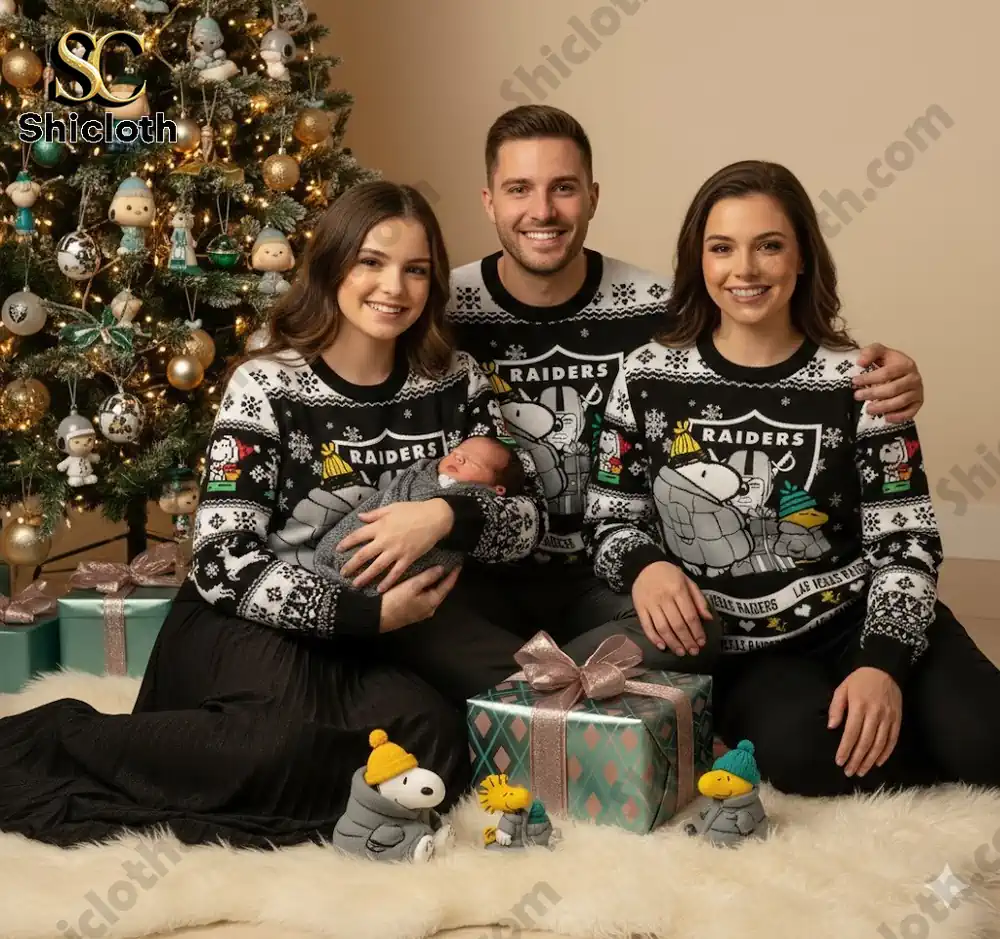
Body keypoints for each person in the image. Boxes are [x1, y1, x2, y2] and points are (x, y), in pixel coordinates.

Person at [0, 182, 559, 850]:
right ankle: (57, 741)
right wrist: (365, 614)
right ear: (333, 266)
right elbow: (219, 558)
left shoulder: (453, 378)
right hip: (251, 618)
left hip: (376, 637)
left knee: (431, 738)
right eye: (372, 262)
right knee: (275, 744)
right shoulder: (270, 383)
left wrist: (443, 515)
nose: (395, 287)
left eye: (416, 269)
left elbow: (527, 523)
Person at [446, 103, 927, 663]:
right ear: (489, 202)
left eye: (564, 188)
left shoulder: (662, 307)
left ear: (594, 197)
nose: (542, 211)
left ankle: (534, 704)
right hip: (484, 568)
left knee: (691, 632)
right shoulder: (442, 308)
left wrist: (889, 380)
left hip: (609, 577)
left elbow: (756, 348)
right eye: (519, 189)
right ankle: (532, 704)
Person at [584, 159, 1000, 796]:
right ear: (699, 260)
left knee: (985, 739)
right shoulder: (645, 375)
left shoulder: (862, 381)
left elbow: (908, 542)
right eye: (722, 248)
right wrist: (645, 565)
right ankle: (909, 740)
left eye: (768, 246)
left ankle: (930, 721)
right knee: (809, 757)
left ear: (802, 257)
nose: (744, 270)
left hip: (861, 613)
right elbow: (609, 517)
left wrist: (880, 663)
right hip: (747, 651)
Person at [314, 435, 526, 594]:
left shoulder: (483, 500)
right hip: (338, 573)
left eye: (472, 461)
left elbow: (526, 517)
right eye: (456, 452)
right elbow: (381, 501)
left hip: (422, 589)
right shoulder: (420, 473)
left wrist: (446, 514)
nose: (458, 458)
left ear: (498, 489)